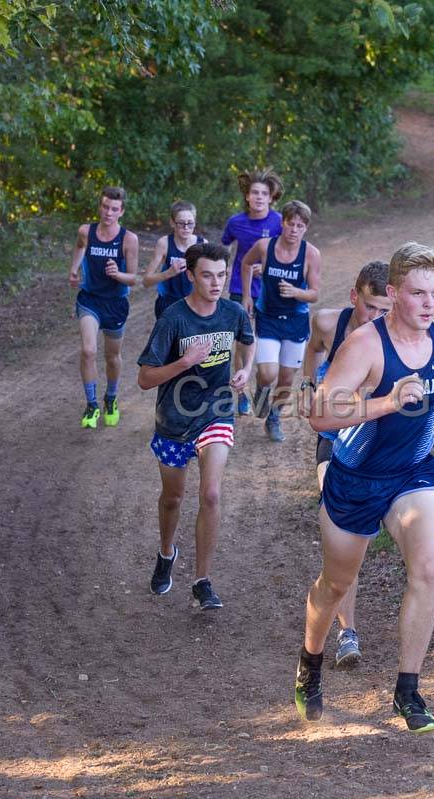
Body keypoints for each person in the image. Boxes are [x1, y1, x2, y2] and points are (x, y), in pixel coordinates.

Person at [295, 242, 434, 734]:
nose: (429, 303)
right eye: (418, 293)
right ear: (393, 293)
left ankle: (408, 691)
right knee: (336, 584)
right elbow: (320, 415)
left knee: (429, 568)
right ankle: (310, 662)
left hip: (411, 473)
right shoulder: (366, 347)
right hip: (355, 478)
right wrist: (387, 402)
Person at [137, 242, 254, 610]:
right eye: (207, 275)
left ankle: (202, 580)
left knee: (212, 494)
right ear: (190, 275)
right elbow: (144, 378)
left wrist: (244, 370)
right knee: (173, 498)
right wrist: (184, 362)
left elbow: (248, 343)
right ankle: (166, 552)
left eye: (221, 275)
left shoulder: (233, 312)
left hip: (216, 412)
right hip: (173, 420)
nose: (216, 282)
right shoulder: (173, 318)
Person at [298, 260, 393, 668]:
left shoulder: (399, 332)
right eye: (370, 308)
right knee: (342, 532)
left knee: (358, 541)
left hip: (377, 441)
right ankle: (347, 632)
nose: (376, 318)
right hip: (334, 438)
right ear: (355, 297)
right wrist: (306, 385)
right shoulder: (327, 323)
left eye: (384, 310)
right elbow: (313, 349)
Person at [240, 200, 321, 443]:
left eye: (300, 225)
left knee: (286, 378)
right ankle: (261, 388)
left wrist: (297, 292)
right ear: (282, 223)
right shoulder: (265, 246)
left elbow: (315, 293)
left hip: (296, 321)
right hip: (268, 317)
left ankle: (273, 417)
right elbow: (245, 263)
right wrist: (246, 296)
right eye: (290, 224)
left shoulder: (311, 254)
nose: (294, 230)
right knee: (268, 373)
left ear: (305, 227)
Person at [67, 186, 140, 429]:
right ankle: (91, 405)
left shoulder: (129, 239)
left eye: (114, 209)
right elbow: (79, 246)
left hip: (116, 304)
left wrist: (117, 273)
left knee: (112, 357)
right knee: (88, 351)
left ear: (122, 212)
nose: (108, 212)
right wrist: (74, 268)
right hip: (90, 299)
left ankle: (111, 398)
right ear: (100, 206)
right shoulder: (86, 231)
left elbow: (133, 278)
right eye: (105, 207)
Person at [223, 168, 284, 415]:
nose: (259, 197)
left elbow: (288, 253)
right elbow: (224, 248)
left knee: (267, 341)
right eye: (254, 193)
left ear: (271, 197)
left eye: (264, 193)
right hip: (240, 288)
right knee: (243, 342)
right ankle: (242, 392)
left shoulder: (279, 222)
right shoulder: (235, 222)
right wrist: (222, 270)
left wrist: (268, 267)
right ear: (247, 196)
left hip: (270, 291)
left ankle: (263, 384)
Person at [142, 200, 207, 319]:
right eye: (181, 223)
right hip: (167, 304)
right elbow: (146, 281)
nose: (186, 228)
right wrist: (169, 273)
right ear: (172, 223)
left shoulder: (202, 245)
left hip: (194, 304)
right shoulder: (164, 244)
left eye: (190, 223)